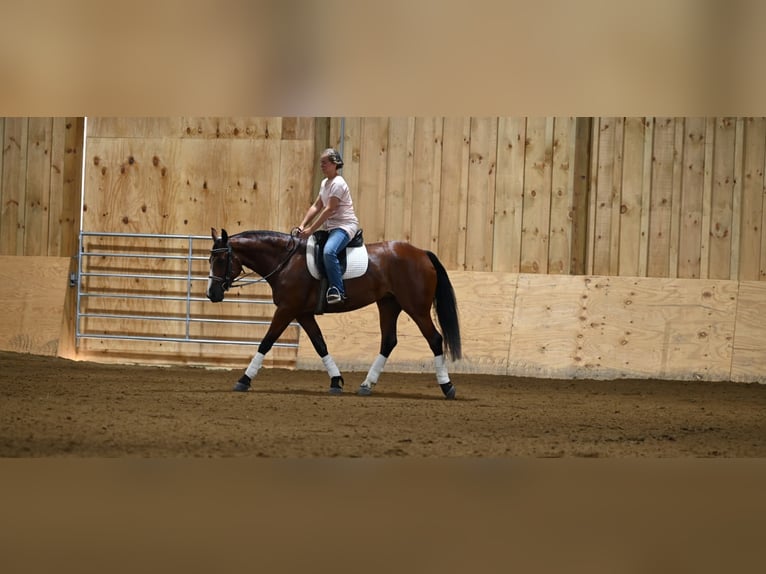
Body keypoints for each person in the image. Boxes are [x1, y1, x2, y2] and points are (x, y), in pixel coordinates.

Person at [297, 148, 359, 304]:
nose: (322, 166)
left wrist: (311, 229)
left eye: (324, 163)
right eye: (321, 163)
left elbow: (329, 209)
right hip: (331, 227)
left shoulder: (338, 183)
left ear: (334, 164)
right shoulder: (325, 183)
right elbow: (317, 206)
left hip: (344, 226)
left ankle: (338, 289)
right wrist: (302, 224)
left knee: (329, 252)